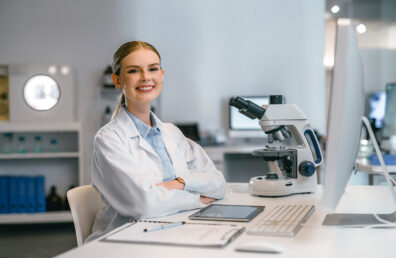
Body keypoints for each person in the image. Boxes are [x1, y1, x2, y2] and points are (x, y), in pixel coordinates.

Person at [86, 41, 227, 242]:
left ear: (161, 75)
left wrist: (178, 183)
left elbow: (218, 183)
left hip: (175, 230)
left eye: (152, 69)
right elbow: (144, 205)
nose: (146, 77)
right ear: (117, 80)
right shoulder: (108, 139)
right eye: (134, 71)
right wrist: (196, 198)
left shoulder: (172, 133)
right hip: (125, 240)